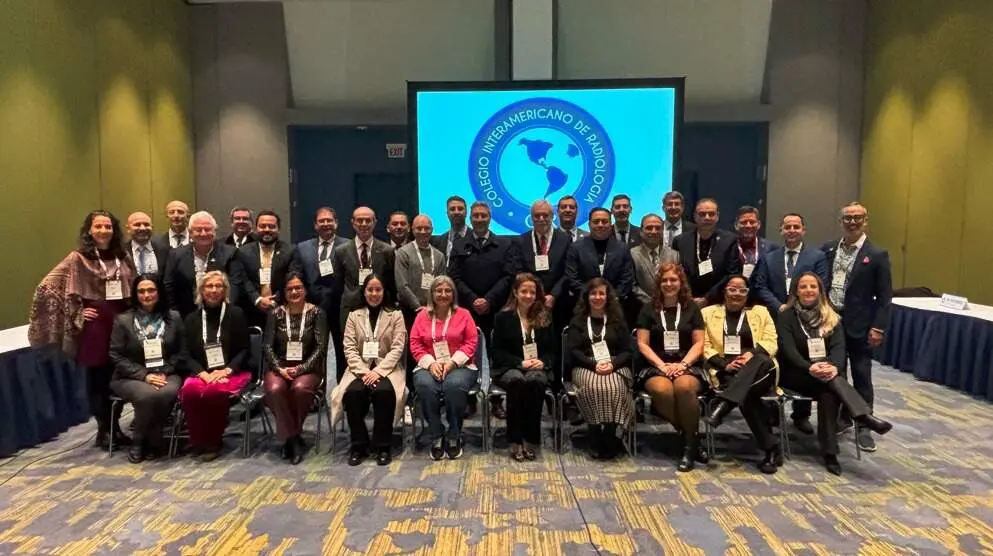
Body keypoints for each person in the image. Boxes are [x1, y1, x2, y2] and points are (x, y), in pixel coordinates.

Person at [29, 210, 136, 450]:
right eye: (98, 226)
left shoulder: (123, 256)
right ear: (89, 230)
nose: (103, 231)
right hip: (96, 327)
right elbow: (47, 287)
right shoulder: (77, 258)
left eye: (108, 226)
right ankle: (104, 430)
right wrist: (75, 313)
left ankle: (116, 427)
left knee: (117, 379)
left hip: (121, 324)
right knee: (97, 381)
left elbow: (135, 285)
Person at [776, 272, 893, 475]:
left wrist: (833, 367)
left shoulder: (831, 316)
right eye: (803, 286)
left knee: (829, 392)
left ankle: (829, 452)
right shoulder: (786, 315)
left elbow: (839, 349)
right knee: (832, 384)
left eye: (813, 286)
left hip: (825, 375)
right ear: (796, 291)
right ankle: (864, 416)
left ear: (820, 291)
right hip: (796, 374)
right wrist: (809, 367)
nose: (808, 290)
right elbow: (788, 350)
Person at [821, 202, 892, 452]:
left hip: (860, 325)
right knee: (836, 373)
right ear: (841, 221)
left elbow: (885, 297)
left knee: (862, 375)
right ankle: (842, 418)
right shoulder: (828, 249)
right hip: (830, 322)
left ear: (866, 221)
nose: (852, 222)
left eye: (857, 218)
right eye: (848, 218)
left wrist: (879, 328)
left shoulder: (877, 255)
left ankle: (864, 425)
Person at [754, 212, 829, 433]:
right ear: (781, 230)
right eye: (787, 227)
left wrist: (795, 306)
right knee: (774, 363)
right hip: (775, 318)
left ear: (803, 230)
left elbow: (820, 285)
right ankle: (772, 412)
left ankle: (801, 414)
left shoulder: (817, 257)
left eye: (796, 226)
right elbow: (760, 286)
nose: (792, 230)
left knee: (805, 358)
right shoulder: (769, 257)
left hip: (807, 320)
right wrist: (780, 307)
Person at [700, 276, 781, 474]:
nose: (737, 294)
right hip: (728, 372)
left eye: (742, 290)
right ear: (724, 291)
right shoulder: (707, 313)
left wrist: (750, 355)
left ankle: (725, 404)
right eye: (732, 289)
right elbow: (705, 345)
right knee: (746, 395)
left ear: (748, 293)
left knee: (760, 360)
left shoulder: (760, 312)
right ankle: (771, 448)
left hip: (762, 371)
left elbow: (772, 341)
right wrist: (726, 364)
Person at [635, 263, 708, 471]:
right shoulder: (648, 308)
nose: (669, 284)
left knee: (684, 388)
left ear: (681, 283)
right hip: (656, 365)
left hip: (687, 363)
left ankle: (688, 447)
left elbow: (699, 342)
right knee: (661, 390)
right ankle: (691, 439)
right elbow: (642, 343)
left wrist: (683, 364)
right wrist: (662, 366)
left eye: (673, 280)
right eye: (664, 280)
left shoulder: (692, 308)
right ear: (658, 283)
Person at [331, 274, 407, 466]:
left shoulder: (395, 315)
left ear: (384, 291)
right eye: (370, 290)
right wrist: (364, 372)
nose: (374, 294)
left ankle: (383, 445)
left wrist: (378, 371)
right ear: (363, 292)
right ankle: (359, 444)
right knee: (353, 393)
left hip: (387, 369)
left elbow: (398, 348)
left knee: (384, 392)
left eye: (378, 289)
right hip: (359, 369)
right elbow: (348, 348)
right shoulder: (353, 315)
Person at [109, 274, 185, 463]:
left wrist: (165, 370)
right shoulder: (123, 320)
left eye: (151, 290)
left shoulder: (173, 318)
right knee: (148, 395)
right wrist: (145, 375)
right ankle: (143, 440)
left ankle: (149, 438)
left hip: (166, 373)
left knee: (164, 392)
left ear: (158, 292)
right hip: (129, 376)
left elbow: (182, 352)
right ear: (135, 294)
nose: (146, 295)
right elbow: (116, 355)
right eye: (141, 291)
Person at [180, 271, 252, 462]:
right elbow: (185, 354)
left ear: (225, 290)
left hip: (232, 371)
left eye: (218, 286)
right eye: (209, 286)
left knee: (215, 392)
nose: (214, 290)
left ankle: (213, 441)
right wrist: (202, 373)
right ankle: (197, 440)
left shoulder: (235, 314)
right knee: (189, 391)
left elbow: (244, 349)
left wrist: (227, 370)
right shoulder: (191, 319)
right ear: (201, 291)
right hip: (202, 372)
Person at [409, 275, 479, 461]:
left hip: (460, 366)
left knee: (453, 386)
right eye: (438, 290)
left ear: (453, 294)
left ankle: (454, 434)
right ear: (431, 294)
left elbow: (471, 342)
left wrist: (452, 363)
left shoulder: (464, 314)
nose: (443, 294)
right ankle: (436, 434)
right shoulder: (421, 316)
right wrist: (431, 363)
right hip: (428, 365)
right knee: (425, 386)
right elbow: (415, 344)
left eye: (448, 290)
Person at [262, 273, 328, 465]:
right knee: (275, 390)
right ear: (284, 292)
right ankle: (293, 437)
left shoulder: (317, 313)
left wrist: (301, 369)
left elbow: (321, 347)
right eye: (290, 289)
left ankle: (289, 437)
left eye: (298, 287)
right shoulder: (275, 314)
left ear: (305, 290)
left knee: (300, 389)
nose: (294, 292)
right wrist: (278, 368)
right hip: (280, 366)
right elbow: (267, 346)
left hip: (308, 367)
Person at [566, 278, 635, 460]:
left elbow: (628, 351)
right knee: (593, 387)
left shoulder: (617, 320)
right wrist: (593, 365)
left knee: (615, 388)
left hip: (615, 364)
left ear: (608, 296)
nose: (597, 297)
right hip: (586, 365)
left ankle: (610, 433)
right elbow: (573, 350)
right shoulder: (578, 320)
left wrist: (613, 364)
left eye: (601, 293)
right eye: (593, 293)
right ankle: (595, 432)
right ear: (587, 297)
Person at [491, 273, 555, 461]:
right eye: (524, 291)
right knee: (517, 380)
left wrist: (543, 361)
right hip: (509, 367)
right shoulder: (502, 318)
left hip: (538, 367)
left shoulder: (545, 316)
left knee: (535, 381)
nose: (528, 296)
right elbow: (497, 353)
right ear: (515, 293)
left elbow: (552, 350)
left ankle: (531, 439)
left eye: (532, 292)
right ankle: (514, 439)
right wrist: (520, 363)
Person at [294, 207, 349, 379]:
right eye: (321, 221)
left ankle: (341, 392)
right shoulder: (302, 247)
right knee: (312, 350)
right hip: (311, 306)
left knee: (342, 351)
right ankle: (314, 391)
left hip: (338, 306)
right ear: (315, 225)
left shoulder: (348, 245)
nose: (326, 224)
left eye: (329, 220)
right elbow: (299, 274)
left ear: (336, 223)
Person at [449, 201, 517, 337]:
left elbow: (508, 276)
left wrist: (489, 299)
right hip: (467, 309)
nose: (479, 219)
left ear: (490, 218)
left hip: (497, 309)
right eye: (476, 216)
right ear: (470, 219)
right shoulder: (459, 245)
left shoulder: (505, 245)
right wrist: (473, 299)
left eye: (483, 216)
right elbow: (454, 277)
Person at [163, 211, 245, 317]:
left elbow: (235, 285)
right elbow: (168, 286)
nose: (203, 233)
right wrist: (175, 315)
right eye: (198, 230)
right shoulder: (176, 255)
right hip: (186, 316)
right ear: (190, 233)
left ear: (215, 231)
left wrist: (226, 311)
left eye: (207, 229)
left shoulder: (230, 253)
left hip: (221, 315)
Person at [333, 207, 396, 338]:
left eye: (368, 220)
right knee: (350, 352)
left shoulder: (387, 251)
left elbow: (391, 284)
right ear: (352, 223)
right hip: (351, 310)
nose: (363, 224)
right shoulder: (341, 251)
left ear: (375, 222)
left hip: (379, 309)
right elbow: (338, 285)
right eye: (359, 220)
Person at [672, 198, 740, 306]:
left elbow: (732, 274)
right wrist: (688, 296)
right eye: (702, 214)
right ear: (695, 216)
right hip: (686, 302)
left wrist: (707, 298)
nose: (707, 217)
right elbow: (676, 272)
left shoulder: (730, 240)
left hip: (719, 301)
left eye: (711, 214)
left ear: (717, 216)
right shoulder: (680, 241)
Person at [239, 210, 296, 329]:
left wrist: (275, 300)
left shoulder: (290, 251)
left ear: (278, 229)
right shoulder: (243, 252)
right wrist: (258, 299)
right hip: (251, 310)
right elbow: (243, 279)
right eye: (262, 226)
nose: (267, 229)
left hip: (281, 309)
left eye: (271, 226)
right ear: (255, 228)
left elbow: (291, 278)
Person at [395, 214, 447, 317]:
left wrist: (433, 307)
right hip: (409, 311)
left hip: (434, 311)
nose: (423, 232)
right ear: (412, 230)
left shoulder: (439, 256)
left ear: (432, 230)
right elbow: (402, 286)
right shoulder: (403, 252)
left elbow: (442, 285)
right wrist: (417, 307)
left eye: (427, 228)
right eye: (419, 228)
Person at [630, 213, 678, 309]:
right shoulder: (631, 254)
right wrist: (652, 303)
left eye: (658, 228)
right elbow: (632, 285)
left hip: (670, 308)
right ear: (641, 231)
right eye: (649, 228)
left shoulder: (675, 255)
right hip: (641, 309)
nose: (654, 231)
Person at [733, 206, 777, 283]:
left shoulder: (772, 248)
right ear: (736, 225)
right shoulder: (729, 247)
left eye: (752, 222)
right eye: (744, 222)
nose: (748, 226)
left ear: (759, 224)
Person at [125, 211, 169, 277]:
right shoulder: (121, 251)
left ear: (152, 227)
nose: (143, 228)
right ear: (128, 228)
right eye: (137, 224)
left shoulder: (164, 250)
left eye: (146, 225)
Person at [430, 196, 469, 264]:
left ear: (466, 212)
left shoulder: (476, 239)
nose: (456, 212)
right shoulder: (438, 242)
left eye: (460, 209)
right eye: (452, 209)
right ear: (447, 213)